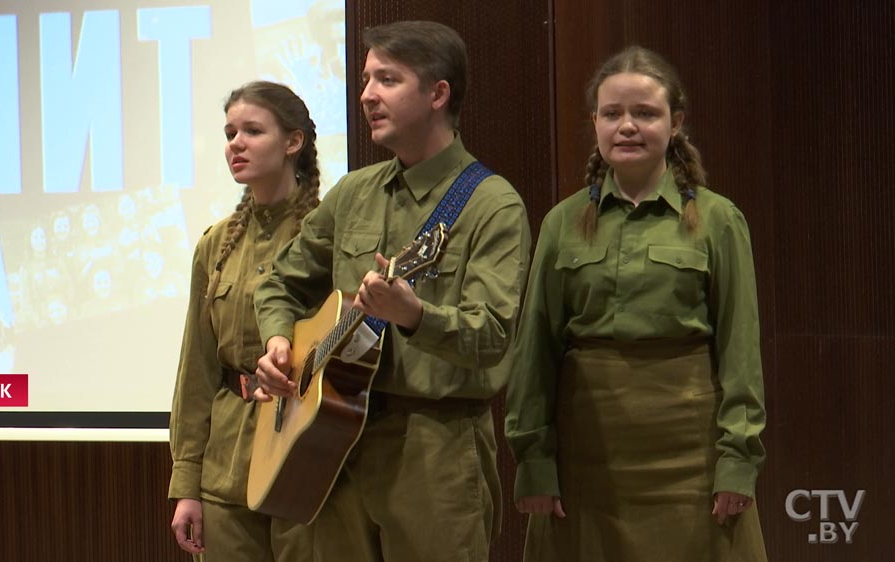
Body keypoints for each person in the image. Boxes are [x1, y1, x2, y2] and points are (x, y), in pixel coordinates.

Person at [254, 21, 531, 562]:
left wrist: (415, 316)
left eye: (387, 79)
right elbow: (280, 283)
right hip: (329, 437)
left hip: (434, 445)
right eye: (364, 80)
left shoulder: (491, 204)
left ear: (437, 93)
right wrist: (277, 344)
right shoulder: (354, 191)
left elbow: (495, 337)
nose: (366, 95)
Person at [504, 46, 768, 561]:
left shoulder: (718, 220)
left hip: (691, 459)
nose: (627, 126)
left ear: (676, 125)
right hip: (586, 459)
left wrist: (738, 461)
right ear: (595, 123)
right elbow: (533, 349)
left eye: (645, 113)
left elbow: (741, 349)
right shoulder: (562, 222)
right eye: (613, 113)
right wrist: (534, 461)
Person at [168, 81, 321, 562]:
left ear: (292, 142)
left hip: (308, 456)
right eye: (230, 132)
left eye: (252, 130)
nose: (235, 143)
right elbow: (195, 371)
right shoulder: (216, 244)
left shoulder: (327, 235)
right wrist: (186, 484)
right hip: (225, 470)